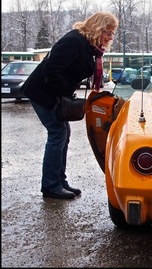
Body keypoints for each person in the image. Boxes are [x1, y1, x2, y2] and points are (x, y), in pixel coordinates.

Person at [21, 12, 119, 199]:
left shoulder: (89, 47)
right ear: (97, 28)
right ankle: (51, 186)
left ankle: (59, 181)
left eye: (113, 33)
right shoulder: (74, 41)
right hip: (42, 93)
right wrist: (63, 93)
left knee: (63, 134)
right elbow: (52, 69)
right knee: (58, 134)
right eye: (108, 32)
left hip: (53, 94)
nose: (110, 37)